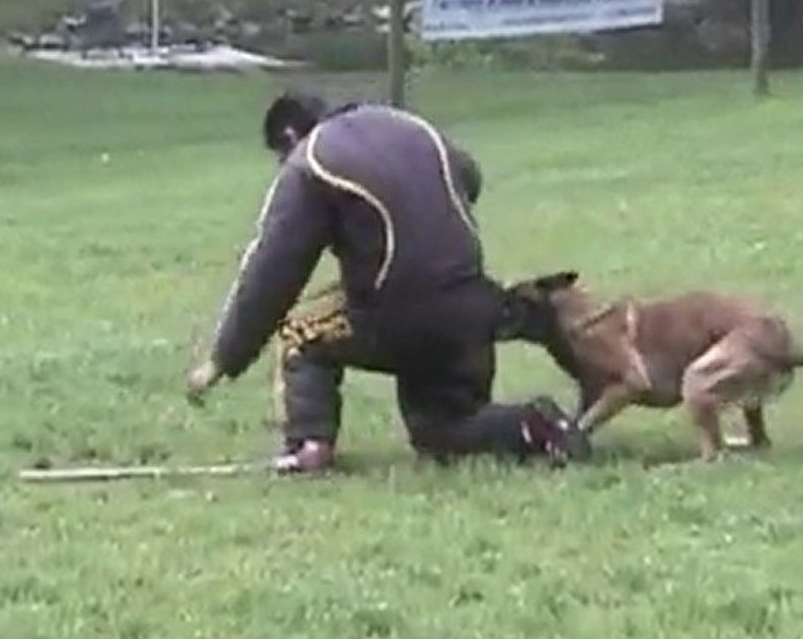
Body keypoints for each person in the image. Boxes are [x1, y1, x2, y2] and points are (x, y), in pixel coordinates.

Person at [186, 90, 591, 473]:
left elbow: (273, 271)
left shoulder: (310, 162)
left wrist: (223, 359)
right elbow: (469, 176)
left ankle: (309, 447)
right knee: (443, 430)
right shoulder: (407, 126)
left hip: (399, 311)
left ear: (288, 136)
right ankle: (534, 424)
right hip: (471, 303)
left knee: (299, 332)